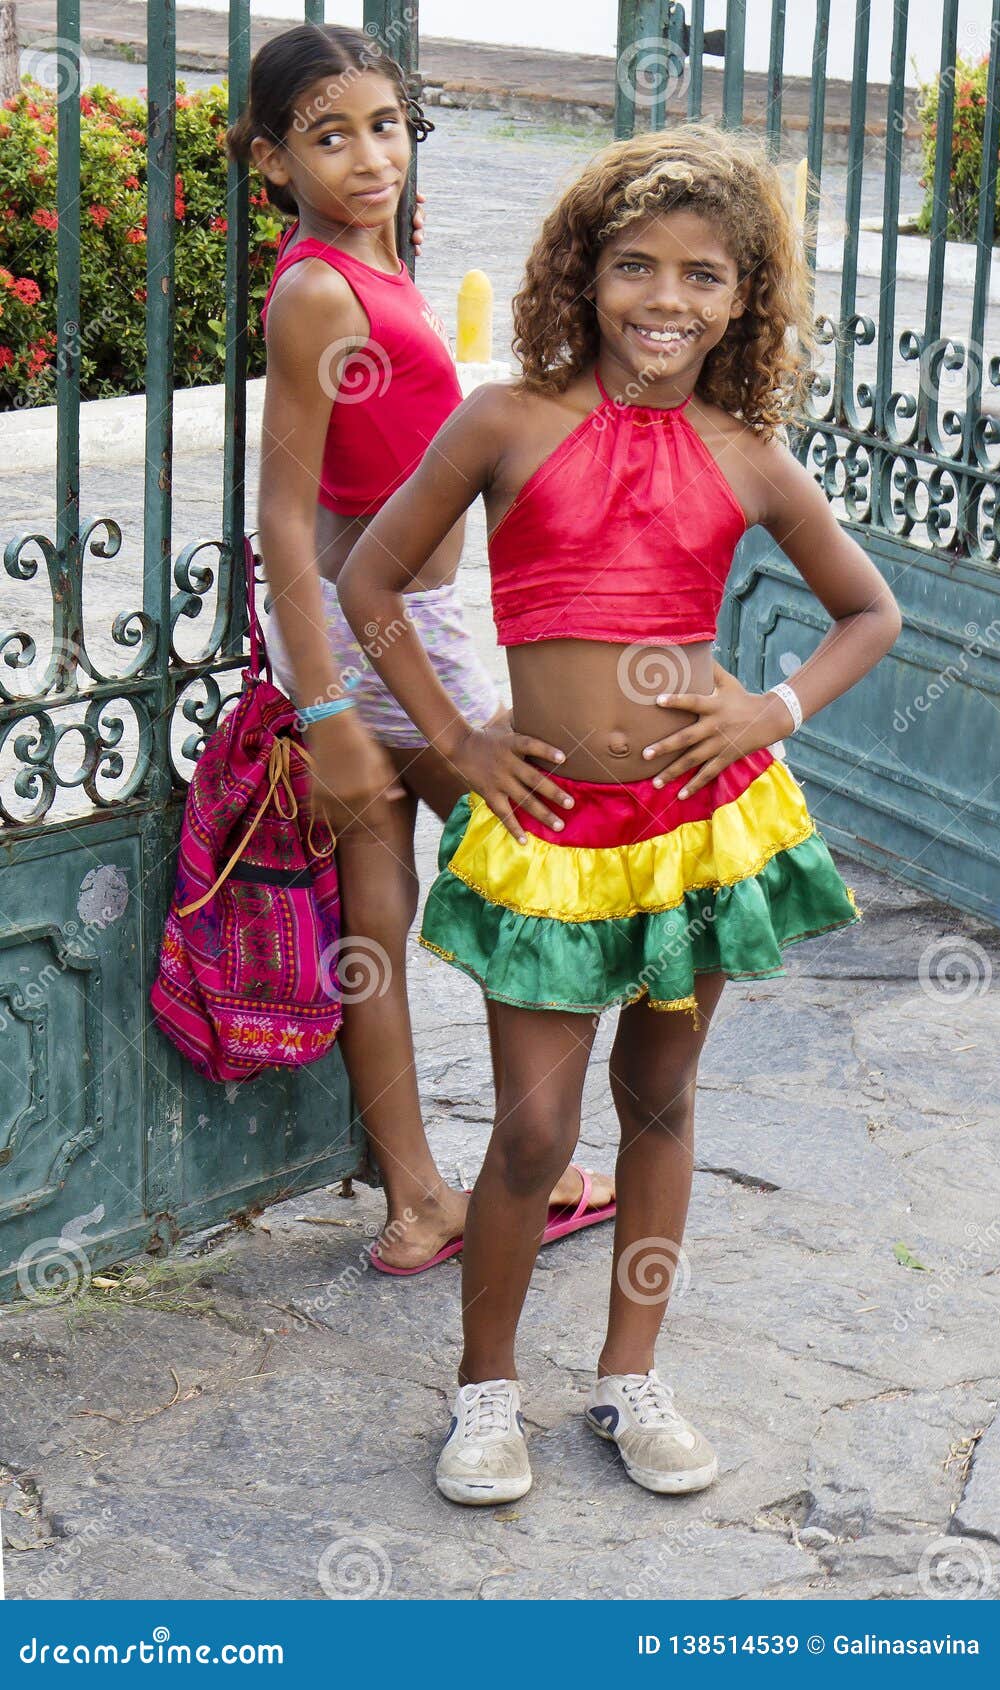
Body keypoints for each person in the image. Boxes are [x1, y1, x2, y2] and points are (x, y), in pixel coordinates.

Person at [337, 122, 902, 1503]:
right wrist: (458, 735)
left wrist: (771, 710)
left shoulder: (747, 453)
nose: (666, 299)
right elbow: (369, 575)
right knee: (533, 1132)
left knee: (661, 1098)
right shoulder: (505, 420)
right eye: (635, 267)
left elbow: (866, 612)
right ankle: (485, 1392)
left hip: (702, 826)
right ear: (580, 278)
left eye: (703, 275)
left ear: (742, 297)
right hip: (552, 830)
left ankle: (630, 1373)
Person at [227, 22, 615, 1275]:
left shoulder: (370, 267)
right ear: (271, 159)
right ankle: (522, 1167)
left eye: (384, 126)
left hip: (393, 628)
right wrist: (329, 709)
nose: (366, 156)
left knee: (377, 913)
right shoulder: (317, 291)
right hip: (384, 633)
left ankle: (417, 1200)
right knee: (533, 863)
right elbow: (285, 512)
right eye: (327, 136)